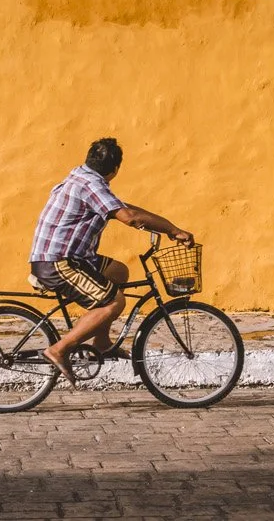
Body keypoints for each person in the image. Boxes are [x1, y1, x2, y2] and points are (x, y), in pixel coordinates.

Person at [30, 138, 195, 382]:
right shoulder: (92, 186)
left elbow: (125, 208)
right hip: (58, 263)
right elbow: (128, 217)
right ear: (116, 169)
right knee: (113, 303)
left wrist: (170, 228)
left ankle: (102, 342)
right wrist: (170, 230)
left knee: (118, 272)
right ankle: (59, 349)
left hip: (74, 258)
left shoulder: (83, 177)